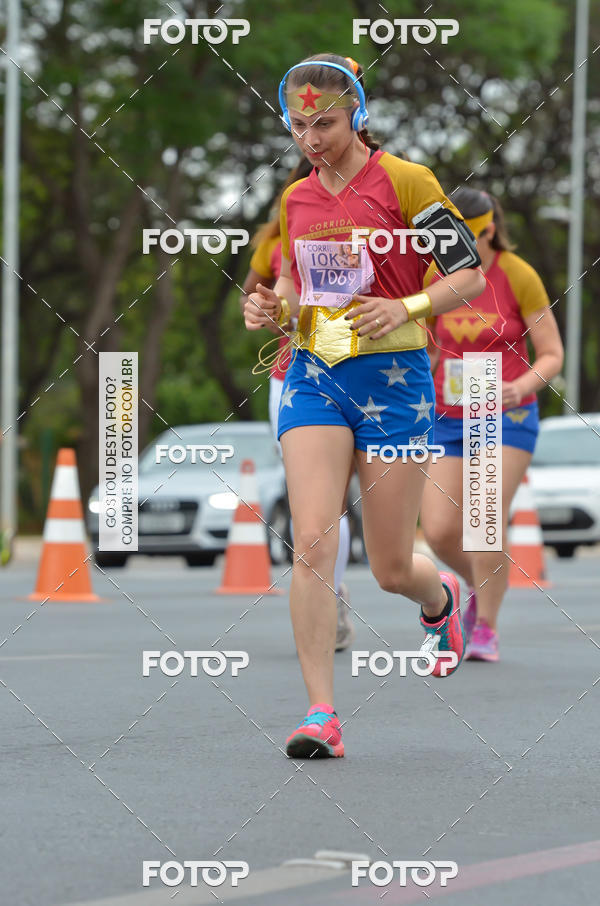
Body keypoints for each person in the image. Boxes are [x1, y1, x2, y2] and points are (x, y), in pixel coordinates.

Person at [244, 53, 485, 759]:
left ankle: (437, 599)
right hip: (314, 374)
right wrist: (270, 307)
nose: (312, 138)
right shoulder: (296, 201)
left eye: (325, 122)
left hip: (397, 384)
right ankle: (321, 712)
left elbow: (466, 275)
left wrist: (406, 303)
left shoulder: (407, 182)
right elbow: (296, 294)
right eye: (298, 126)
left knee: (387, 567)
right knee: (313, 542)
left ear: (358, 114)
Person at [420, 188, 564, 662]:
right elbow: (428, 344)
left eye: (469, 236)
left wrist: (521, 387)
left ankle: (486, 627)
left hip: (505, 411)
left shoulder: (518, 275)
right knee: (440, 530)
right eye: (450, 235)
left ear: (489, 231)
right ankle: (478, 584)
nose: (458, 245)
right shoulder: (433, 273)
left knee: (483, 517)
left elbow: (552, 354)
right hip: (447, 412)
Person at [240, 159, 355, 651]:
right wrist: (266, 307)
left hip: (363, 369)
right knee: (313, 497)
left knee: (341, 497)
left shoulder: (373, 217)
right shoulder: (275, 238)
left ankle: (340, 591)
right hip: (293, 375)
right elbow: (254, 296)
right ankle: (332, 596)